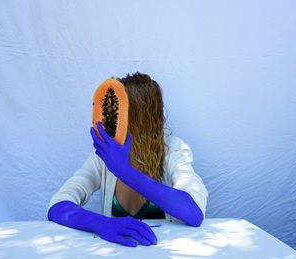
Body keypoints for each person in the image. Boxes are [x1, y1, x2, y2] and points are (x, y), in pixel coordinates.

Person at [47, 72, 208, 247]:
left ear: (141, 118)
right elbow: (57, 205)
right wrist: (99, 223)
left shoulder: (173, 149)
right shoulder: (103, 157)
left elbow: (194, 212)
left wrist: (126, 172)